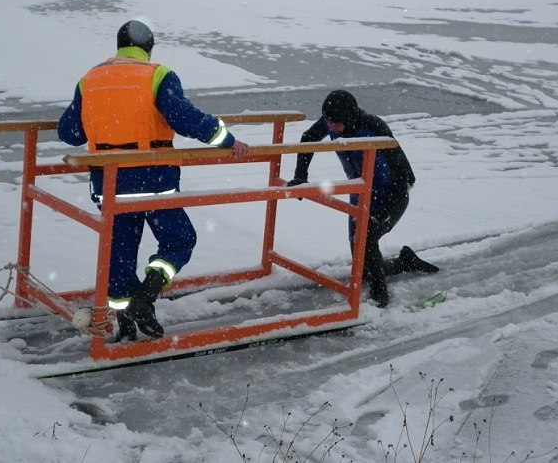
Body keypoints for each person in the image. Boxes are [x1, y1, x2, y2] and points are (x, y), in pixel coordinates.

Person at [58, 19, 249, 342]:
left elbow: (70, 133)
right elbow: (185, 119)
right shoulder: (158, 75)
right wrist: (225, 138)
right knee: (179, 240)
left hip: (109, 185)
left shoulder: (88, 79)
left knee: (119, 253)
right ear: (148, 49)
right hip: (153, 181)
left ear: (119, 45)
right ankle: (145, 299)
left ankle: (124, 322)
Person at [286, 89, 437, 308]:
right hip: (360, 193)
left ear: (349, 119)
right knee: (363, 266)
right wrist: (300, 177)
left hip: (391, 195)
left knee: (367, 237)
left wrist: (382, 215)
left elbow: (405, 177)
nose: (331, 128)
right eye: (328, 122)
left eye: (336, 124)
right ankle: (405, 261)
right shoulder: (331, 121)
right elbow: (308, 138)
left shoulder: (373, 127)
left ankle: (380, 299)